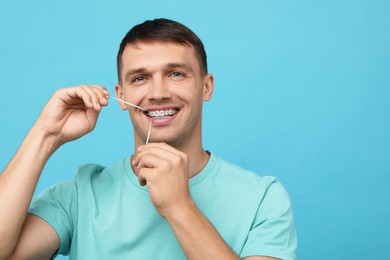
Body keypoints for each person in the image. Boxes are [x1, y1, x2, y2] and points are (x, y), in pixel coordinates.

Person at [0, 18, 297, 259]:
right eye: (140, 78)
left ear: (206, 87)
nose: (157, 93)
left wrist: (179, 207)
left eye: (176, 74)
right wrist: (45, 135)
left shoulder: (263, 199)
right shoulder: (79, 196)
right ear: (121, 96)